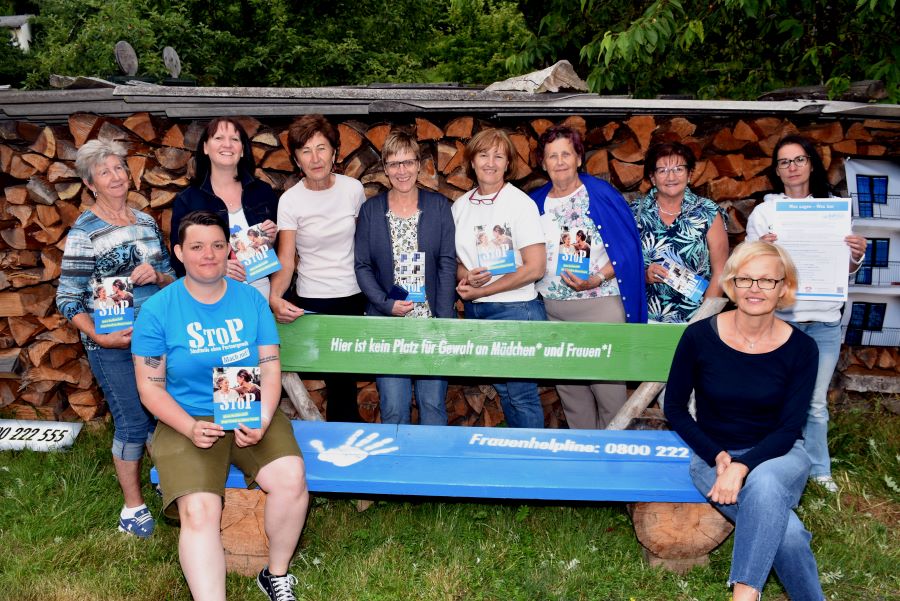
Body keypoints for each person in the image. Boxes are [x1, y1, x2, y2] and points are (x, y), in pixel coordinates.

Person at [133, 211, 308, 601]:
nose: (208, 254)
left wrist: (263, 419)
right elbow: (150, 388)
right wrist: (189, 427)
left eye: (216, 245)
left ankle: (275, 574)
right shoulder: (158, 309)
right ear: (179, 252)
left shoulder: (250, 300)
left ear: (229, 249)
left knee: (291, 479)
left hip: (247, 403)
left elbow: (269, 364)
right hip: (188, 415)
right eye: (196, 247)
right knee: (200, 511)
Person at [664, 241, 824, 601]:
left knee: (765, 481)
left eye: (767, 281)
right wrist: (721, 457)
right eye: (746, 279)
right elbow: (673, 407)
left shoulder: (802, 348)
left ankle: (744, 595)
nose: (755, 289)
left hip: (781, 456)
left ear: (784, 287)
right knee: (789, 535)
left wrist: (742, 467)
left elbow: (788, 429)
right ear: (732, 284)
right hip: (713, 459)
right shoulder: (699, 337)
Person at [56, 138, 175, 539]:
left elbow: (172, 279)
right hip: (112, 346)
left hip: (156, 339)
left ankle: (172, 487)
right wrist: (99, 338)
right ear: (90, 183)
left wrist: (157, 276)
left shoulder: (145, 222)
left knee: (167, 414)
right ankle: (132, 508)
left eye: (119, 168)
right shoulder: (83, 232)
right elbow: (68, 297)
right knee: (132, 422)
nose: (115, 176)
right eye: (104, 171)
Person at [745, 134, 868, 493]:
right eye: (784, 162)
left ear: (811, 164)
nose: (792, 167)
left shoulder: (833, 211)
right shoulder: (764, 213)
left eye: (798, 159)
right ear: (777, 171)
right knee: (771, 397)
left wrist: (856, 254)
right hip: (781, 320)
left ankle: (818, 470)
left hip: (825, 322)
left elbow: (845, 272)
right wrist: (759, 251)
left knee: (814, 403)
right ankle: (766, 462)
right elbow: (751, 274)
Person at [529, 125, 647, 429]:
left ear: (579, 158)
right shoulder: (534, 202)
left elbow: (628, 251)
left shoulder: (601, 194)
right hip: (554, 311)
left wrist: (596, 278)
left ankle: (618, 462)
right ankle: (587, 463)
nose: (559, 161)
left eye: (565, 153)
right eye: (551, 156)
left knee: (610, 392)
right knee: (572, 393)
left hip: (600, 306)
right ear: (543, 163)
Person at [269, 114, 367, 423]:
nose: (315, 158)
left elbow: (365, 246)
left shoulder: (353, 189)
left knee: (346, 379)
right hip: (314, 302)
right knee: (339, 381)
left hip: (354, 297)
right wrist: (275, 297)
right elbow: (287, 259)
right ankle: (342, 437)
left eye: (322, 148)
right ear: (296, 159)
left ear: (335, 153)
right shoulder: (290, 201)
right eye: (306, 150)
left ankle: (342, 436)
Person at [354, 130, 457, 424]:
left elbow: (447, 263)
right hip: (389, 323)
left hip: (431, 323)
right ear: (385, 168)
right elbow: (362, 266)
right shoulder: (371, 211)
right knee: (394, 408)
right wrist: (387, 304)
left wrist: (443, 317)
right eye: (394, 164)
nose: (402, 171)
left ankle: (433, 468)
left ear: (419, 165)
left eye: (408, 162)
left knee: (433, 404)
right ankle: (395, 467)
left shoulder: (438, 207)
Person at [453, 128, 547, 428]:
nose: (490, 162)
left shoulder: (521, 204)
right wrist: (466, 275)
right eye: (483, 155)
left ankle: (533, 462)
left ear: (508, 163)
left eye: (498, 156)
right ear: (472, 161)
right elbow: (455, 261)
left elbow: (535, 268)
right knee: (505, 391)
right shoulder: (460, 206)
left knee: (522, 395)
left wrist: (482, 291)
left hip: (516, 310)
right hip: (478, 312)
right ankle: (518, 459)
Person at [171, 117, 279, 300]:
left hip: (260, 295)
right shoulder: (187, 200)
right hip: (211, 295)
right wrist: (218, 268)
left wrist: (273, 240)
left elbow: (284, 255)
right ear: (205, 147)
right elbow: (178, 259)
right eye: (219, 138)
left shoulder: (263, 192)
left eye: (235, 139)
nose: (227, 145)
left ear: (242, 150)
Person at [631, 141, 729, 323]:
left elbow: (720, 272)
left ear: (690, 174)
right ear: (652, 177)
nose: (671, 177)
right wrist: (644, 275)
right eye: (662, 170)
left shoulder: (708, 212)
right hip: (644, 316)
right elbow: (622, 265)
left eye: (678, 169)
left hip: (694, 318)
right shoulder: (635, 213)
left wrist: (703, 319)